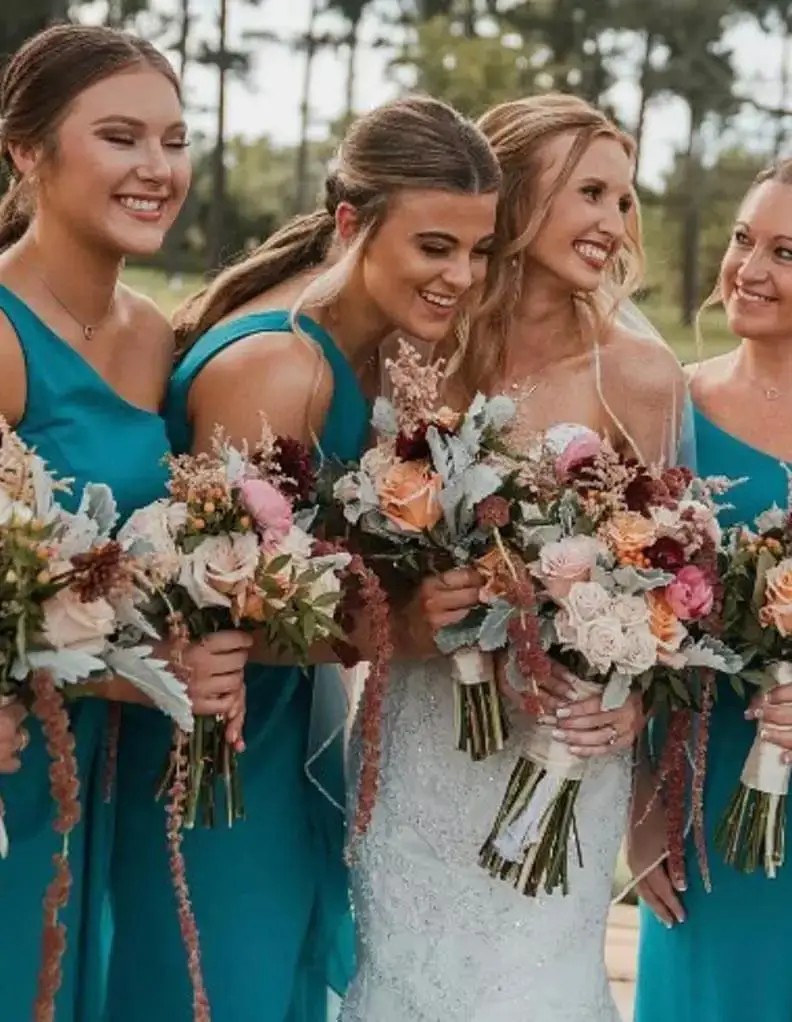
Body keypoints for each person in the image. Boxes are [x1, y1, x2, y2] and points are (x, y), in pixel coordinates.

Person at [105, 94, 501, 1021]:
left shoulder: (371, 351)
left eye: (479, 250)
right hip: (210, 766)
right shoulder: (284, 367)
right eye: (435, 246)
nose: (462, 275)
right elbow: (209, 616)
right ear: (353, 224)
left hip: (276, 745)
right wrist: (395, 626)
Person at [341, 93, 687, 1022]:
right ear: (521, 193)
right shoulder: (417, 355)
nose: (614, 225)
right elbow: (362, 553)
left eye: (624, 201)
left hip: (562, 746)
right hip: (422, 737)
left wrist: (631, 698)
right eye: (591, 193)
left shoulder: (641, 377)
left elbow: (668, 578)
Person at [0, 25, 249, 1019]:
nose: (159, 168)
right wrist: (127, 672)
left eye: (175, 140)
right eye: (120, 137)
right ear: (26, 150)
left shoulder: (152, 334)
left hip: (104, 771)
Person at [634, 158, 792, 1022]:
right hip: (705, 802)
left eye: (786, 251)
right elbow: (623, 631)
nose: (750, 269)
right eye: (744, 238)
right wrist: (642, 810)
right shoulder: (671, 413)